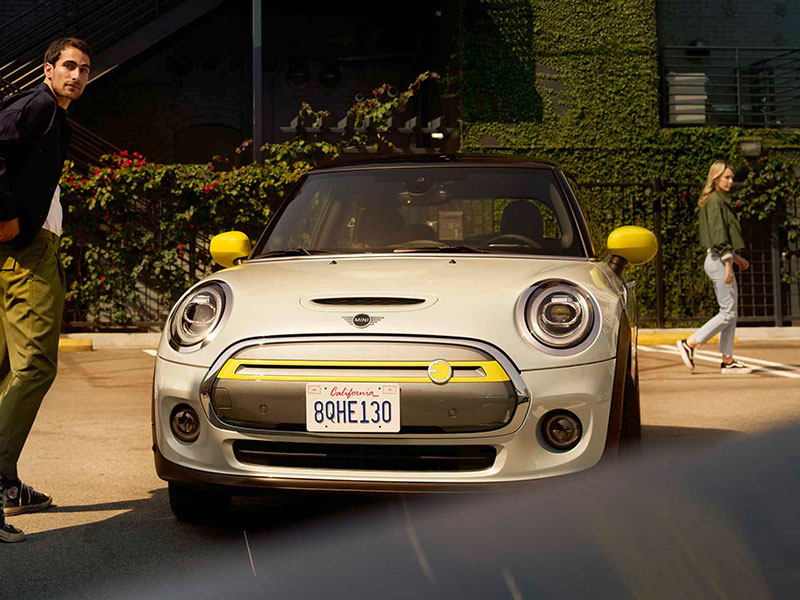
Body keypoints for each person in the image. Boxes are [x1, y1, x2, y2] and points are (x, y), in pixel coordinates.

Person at [0, 37, 91, 543]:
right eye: (68, 66)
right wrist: (8, 217)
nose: (76, 76)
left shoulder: (53, 114)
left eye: (84, 69)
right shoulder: (36, 105)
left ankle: (8, 484)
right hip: (26, 252)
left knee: (5, 369)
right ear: (47, 68)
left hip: (23, 249)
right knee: (34, 366)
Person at [676, 160, 752, 375]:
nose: (730, 181)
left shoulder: (718, 200)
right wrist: (729, 264)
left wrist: (736, 259)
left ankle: (728, 361)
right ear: (715, 178)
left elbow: (721, 235)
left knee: (731, 311)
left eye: (731, 177)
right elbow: (718, 236)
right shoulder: (715, 201)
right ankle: (690, 343)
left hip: (723, 259)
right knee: (727, 311)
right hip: (719, 261)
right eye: (726, 177)